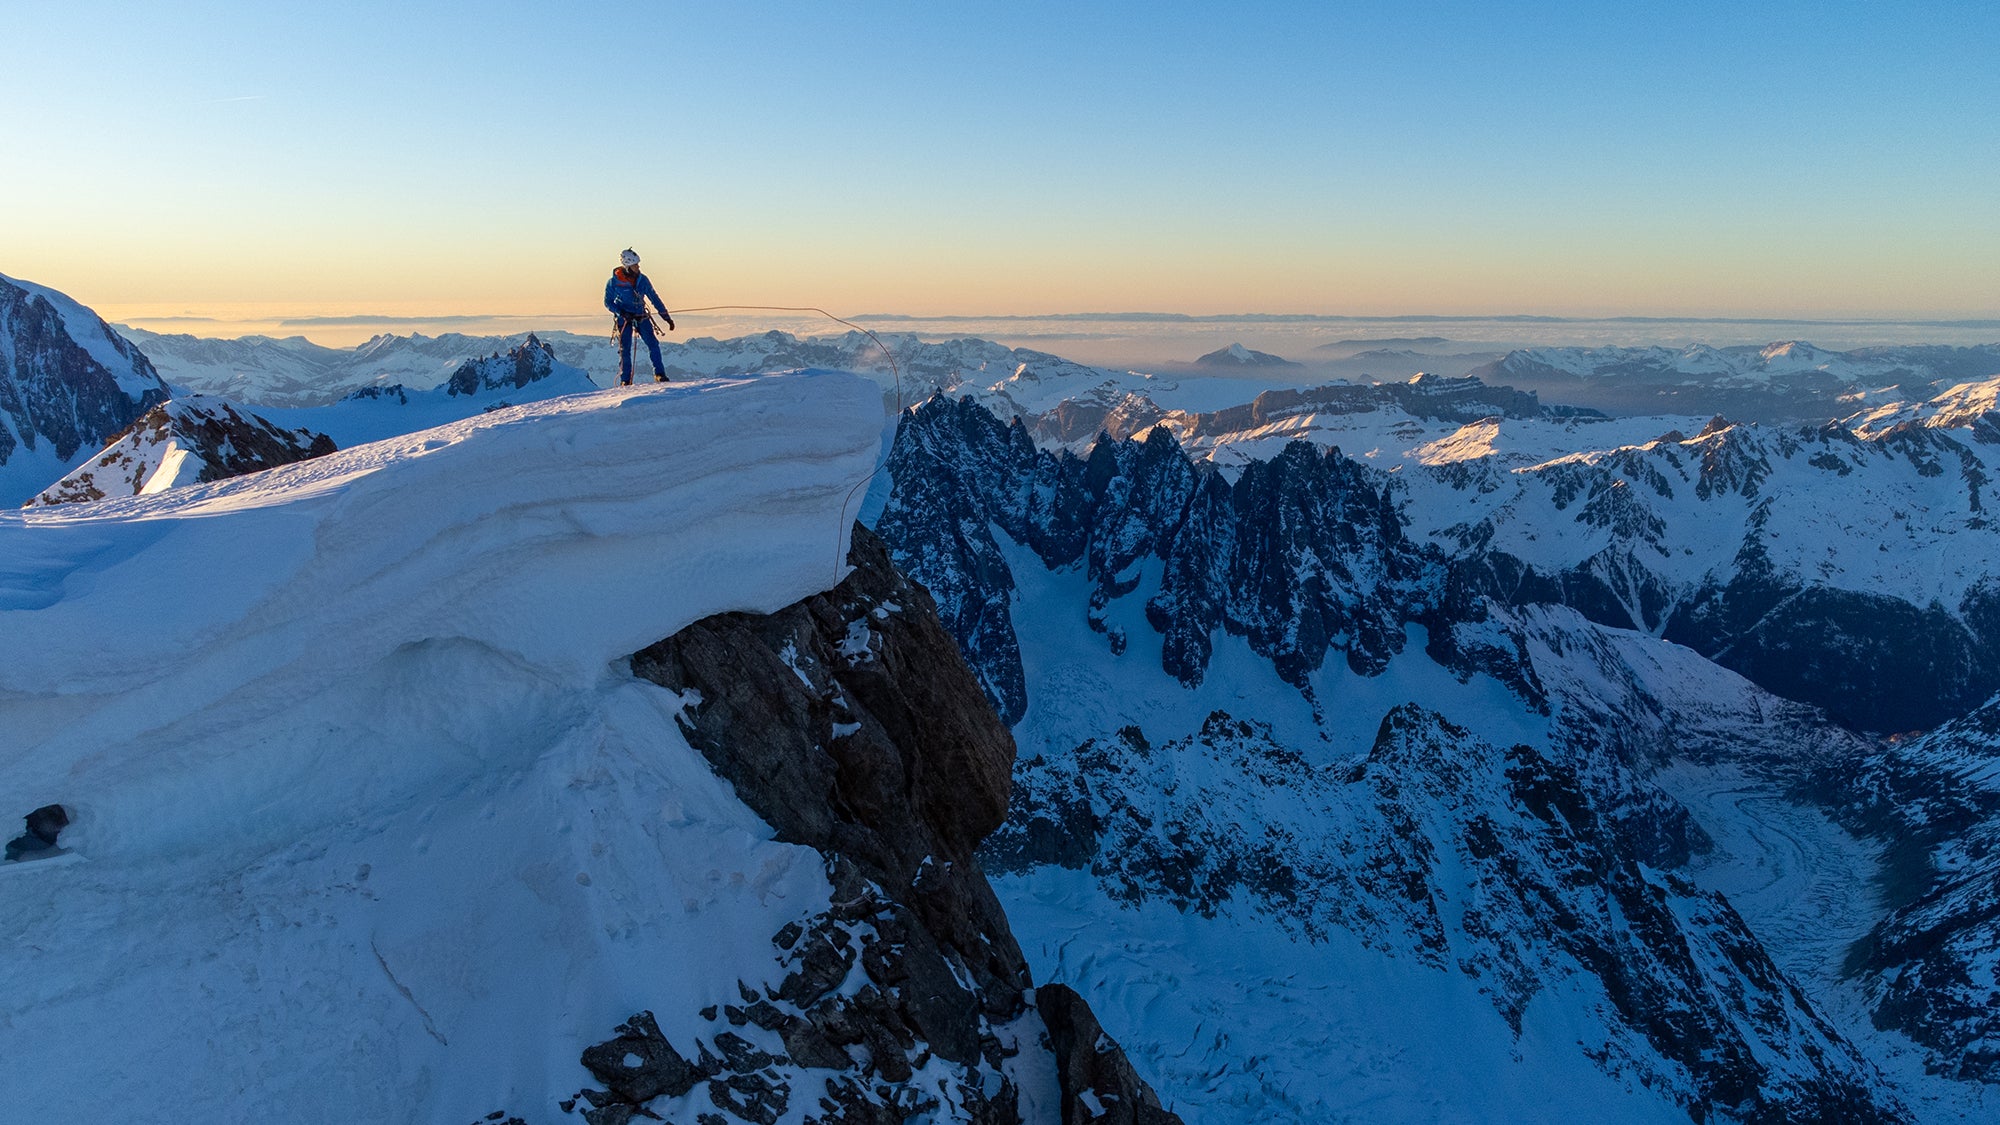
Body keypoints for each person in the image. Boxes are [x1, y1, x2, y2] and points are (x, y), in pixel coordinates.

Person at [604, 248, 676, 385]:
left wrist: (666, 317)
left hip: (640, 315)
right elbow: (608, 302)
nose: (638, 267)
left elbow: (654, 298)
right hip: (624, 319)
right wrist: (622, 313)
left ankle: (659, 374)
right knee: (625, 349)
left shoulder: (642, 280)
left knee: (653, 344)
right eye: (635, 265)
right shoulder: (614, 282)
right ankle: (625, 380)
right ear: (627, 265)